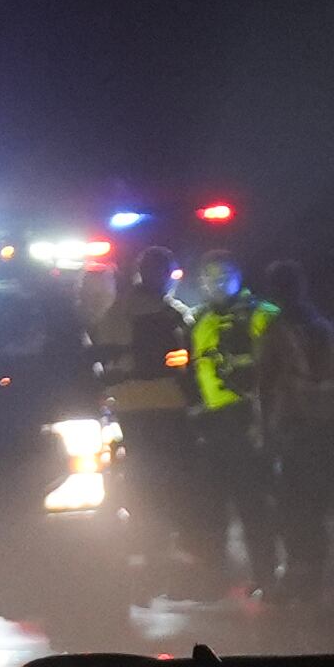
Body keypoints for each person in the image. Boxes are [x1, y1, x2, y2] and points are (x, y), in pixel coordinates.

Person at [101, 246, 204, 578]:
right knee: (173, 479)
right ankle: (172, 547)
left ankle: (147, 547)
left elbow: (106, 358)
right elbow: (187, 363)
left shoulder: (117, 311)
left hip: (131, 408)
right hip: (168, 405)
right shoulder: (175, 314)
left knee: (142, 479)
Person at [253, 258, 334, 601]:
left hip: (293, 426)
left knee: (292, 503)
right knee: (313, 504)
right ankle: (312, 575)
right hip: (323, 427)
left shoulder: (280, 329)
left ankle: (297, 574)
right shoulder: (319, 326)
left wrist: (265, 429)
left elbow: (265, 382)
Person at [186, 251, 280, 593]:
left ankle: (266, 577)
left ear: (239, 276)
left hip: (250, 418)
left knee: (253, 504)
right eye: (209, 278)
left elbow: (276, 365)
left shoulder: (262, 315)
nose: (216, 283)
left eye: (224, 276)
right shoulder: (200, 320)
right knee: (210, 509)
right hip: (214, 423)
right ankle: (213, 580)